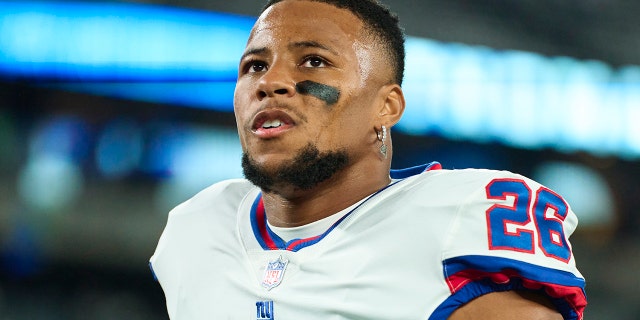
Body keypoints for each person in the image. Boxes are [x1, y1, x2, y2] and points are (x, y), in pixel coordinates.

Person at [150, 0, 587, 319]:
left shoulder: (458, 217)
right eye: (254, 66)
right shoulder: (194, 228)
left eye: (314, 61)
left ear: (387, 107)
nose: (273, 82)